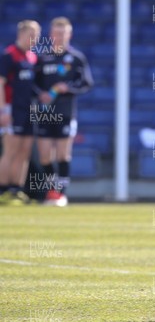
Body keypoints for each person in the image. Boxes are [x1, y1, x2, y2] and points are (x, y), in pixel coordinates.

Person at [34, 17, 93, 207]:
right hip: (44, 113)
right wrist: (41, 94)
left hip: (66, 113)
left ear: (69, 35)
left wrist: (68, 88)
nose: (59, 37)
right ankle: (51, 191)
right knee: (44, 155)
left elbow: (86, 83)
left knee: (62, 155)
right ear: (51, 35)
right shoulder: (42, 58)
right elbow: (32, 83)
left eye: (63, 33)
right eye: (56, 33)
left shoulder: (76, 58)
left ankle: (61, 195)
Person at [0, 20, 41, 206]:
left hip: (29, 111)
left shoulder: (33, 57)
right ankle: (3, 190)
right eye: (31, 35)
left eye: (37, 36)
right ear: (21, 34)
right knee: (10, 151)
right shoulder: (9, 56)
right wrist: (2, 110)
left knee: (24, 152)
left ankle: (17, 190)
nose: (34, 39)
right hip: (12, 110)